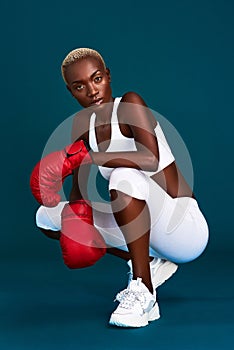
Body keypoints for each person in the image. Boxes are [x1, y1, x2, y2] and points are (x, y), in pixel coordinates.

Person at [32, 48, 209, 328]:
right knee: (47, 217)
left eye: (97, 78)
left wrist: (91, 156)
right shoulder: (83, 126)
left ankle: (144, 290)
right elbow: (79, 198)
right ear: (71, 91)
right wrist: (76, 230)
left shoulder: (129, 104)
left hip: (185, 226)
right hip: (147, 231)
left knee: (125, 176)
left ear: (108, 76)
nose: (92, 90)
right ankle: (148, 260)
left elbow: (150, 160)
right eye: (80, 86)